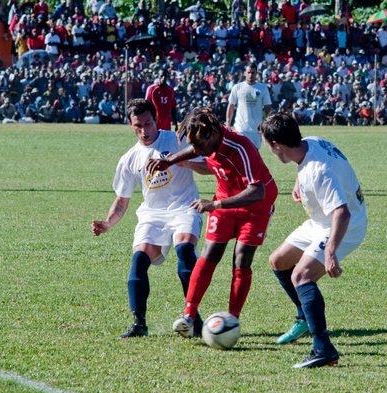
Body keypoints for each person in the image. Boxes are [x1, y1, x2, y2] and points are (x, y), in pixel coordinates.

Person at [146, 108, 278, 338]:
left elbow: (258, 191)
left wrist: (214, 205)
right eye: (193, 146)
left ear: (213, 134)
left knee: (241, 259)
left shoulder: (241, 146)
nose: (197, 152)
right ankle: (188, 316)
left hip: (255, 207)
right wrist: (168, 161)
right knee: (209, 253)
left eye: (199, 146)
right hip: (224, 202)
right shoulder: (206, 140)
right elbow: (195, 150)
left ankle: (232, 321)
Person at [91, 99, 209, 338]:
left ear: (156, 119)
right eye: (138, 126)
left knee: (185, 251)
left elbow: (209, 165)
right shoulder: (129, 158)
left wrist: (182, 161)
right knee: (139, 261)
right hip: (153, 215)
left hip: (185, 207)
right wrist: (108, 223)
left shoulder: (177, 140)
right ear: (130, 124)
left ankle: (193, 318)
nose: (144, 131)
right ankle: (139, 324)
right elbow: (122, 201)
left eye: (148, 123)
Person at [258, 112, 367, 368]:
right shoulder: (311, 142)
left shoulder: (318, 172)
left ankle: (323, 348)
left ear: (277, 145)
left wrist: (330, 252)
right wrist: (299, 181)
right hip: (320, 221)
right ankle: (304, 317)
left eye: (267, 146)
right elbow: (310, 164)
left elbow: (342, 212)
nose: (269, 151)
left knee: (301, 277)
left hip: (343, 225)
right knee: (278, 261)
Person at [226, 62, 272, 149]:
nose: (251, 75)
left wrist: (268, 125)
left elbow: (267, 108)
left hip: (256, 129)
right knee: (240, 153)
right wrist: (228, 123)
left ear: (256, 73)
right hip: (240, 128)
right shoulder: (237, 87)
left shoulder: (263, 88)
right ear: (244, 73)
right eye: (249, 72)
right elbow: (231, 106)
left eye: (253, 72)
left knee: (254, 154)